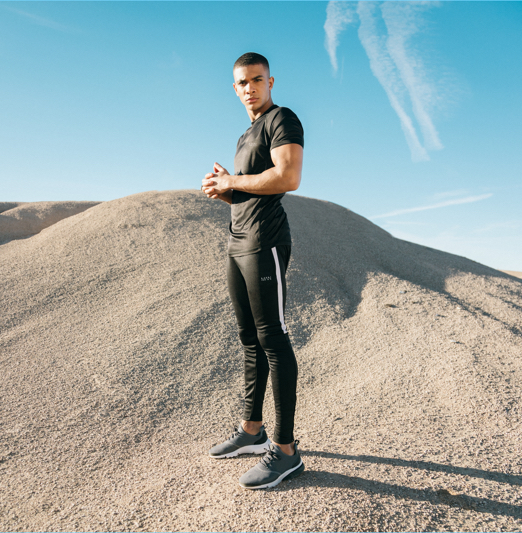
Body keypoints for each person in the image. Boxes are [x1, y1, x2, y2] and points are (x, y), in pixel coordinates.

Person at [201, 52, 304, 490]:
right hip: (237, 243)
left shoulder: (282, 119)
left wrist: (232, 181)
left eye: (257, 80)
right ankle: (251, 430)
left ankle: (286, 451)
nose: (250, 88)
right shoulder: (247, 134)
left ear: (270, 81)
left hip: (266, 243)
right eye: (242, 82)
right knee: (249, 339)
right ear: (235, 88)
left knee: (273, 339)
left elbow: (287, 177)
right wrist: (224, 189)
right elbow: (252, 191)